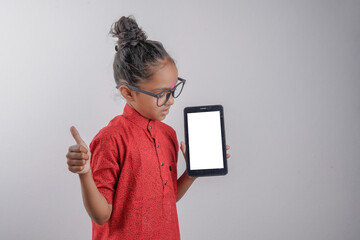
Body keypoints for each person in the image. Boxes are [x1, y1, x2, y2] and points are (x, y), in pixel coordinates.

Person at [65, 15, 230, 240]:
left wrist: (191, 173)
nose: (171, 101)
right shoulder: (110, 139)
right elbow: (101, 216)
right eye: (162, 94)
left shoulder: (168, 135)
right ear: (127, 92)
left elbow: (168, 198)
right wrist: (85, 174)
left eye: (173, 90)